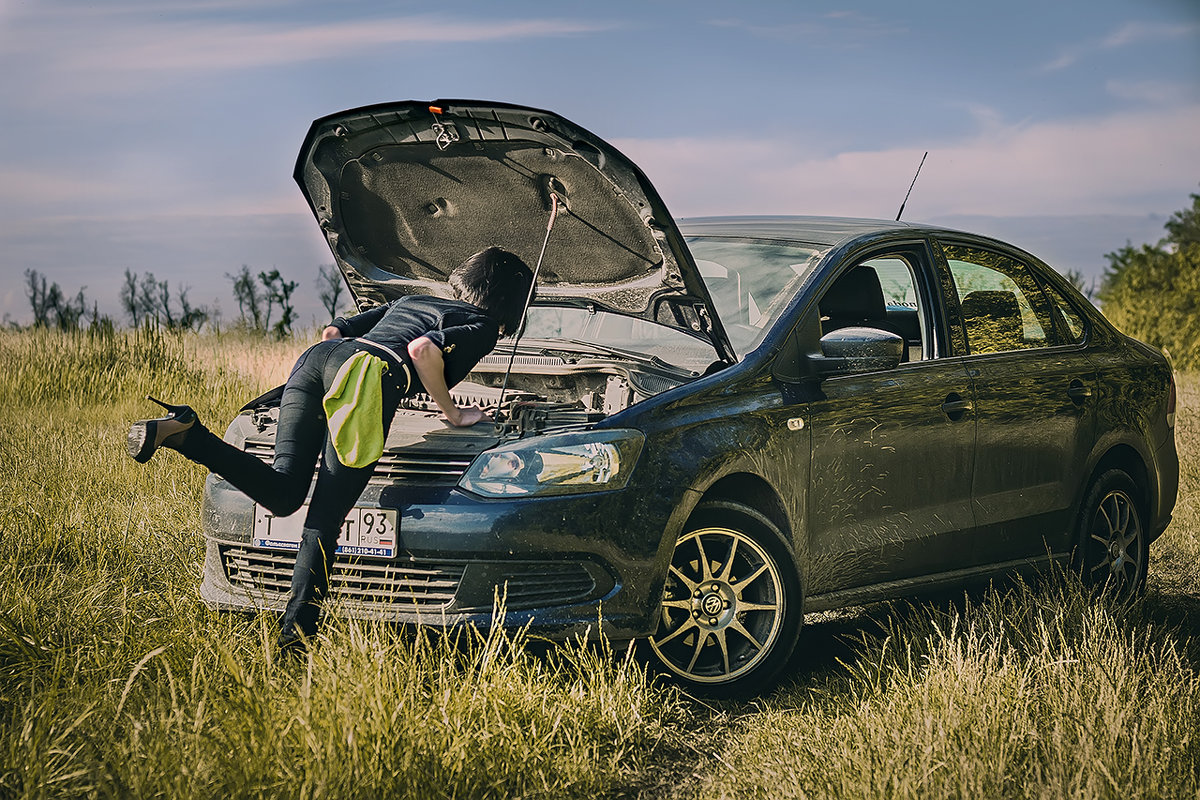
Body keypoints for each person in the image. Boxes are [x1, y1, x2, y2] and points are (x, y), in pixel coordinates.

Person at [127, 247, 535, 649]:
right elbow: (421, 351)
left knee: (285, 492)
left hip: (316, 360)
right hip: (366, 379)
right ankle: (294, 642)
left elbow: (334, 331)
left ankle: (186, 433)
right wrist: (455, 413)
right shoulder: (481, 325)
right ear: (511, 302)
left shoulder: (412, 301)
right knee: (322, 521)